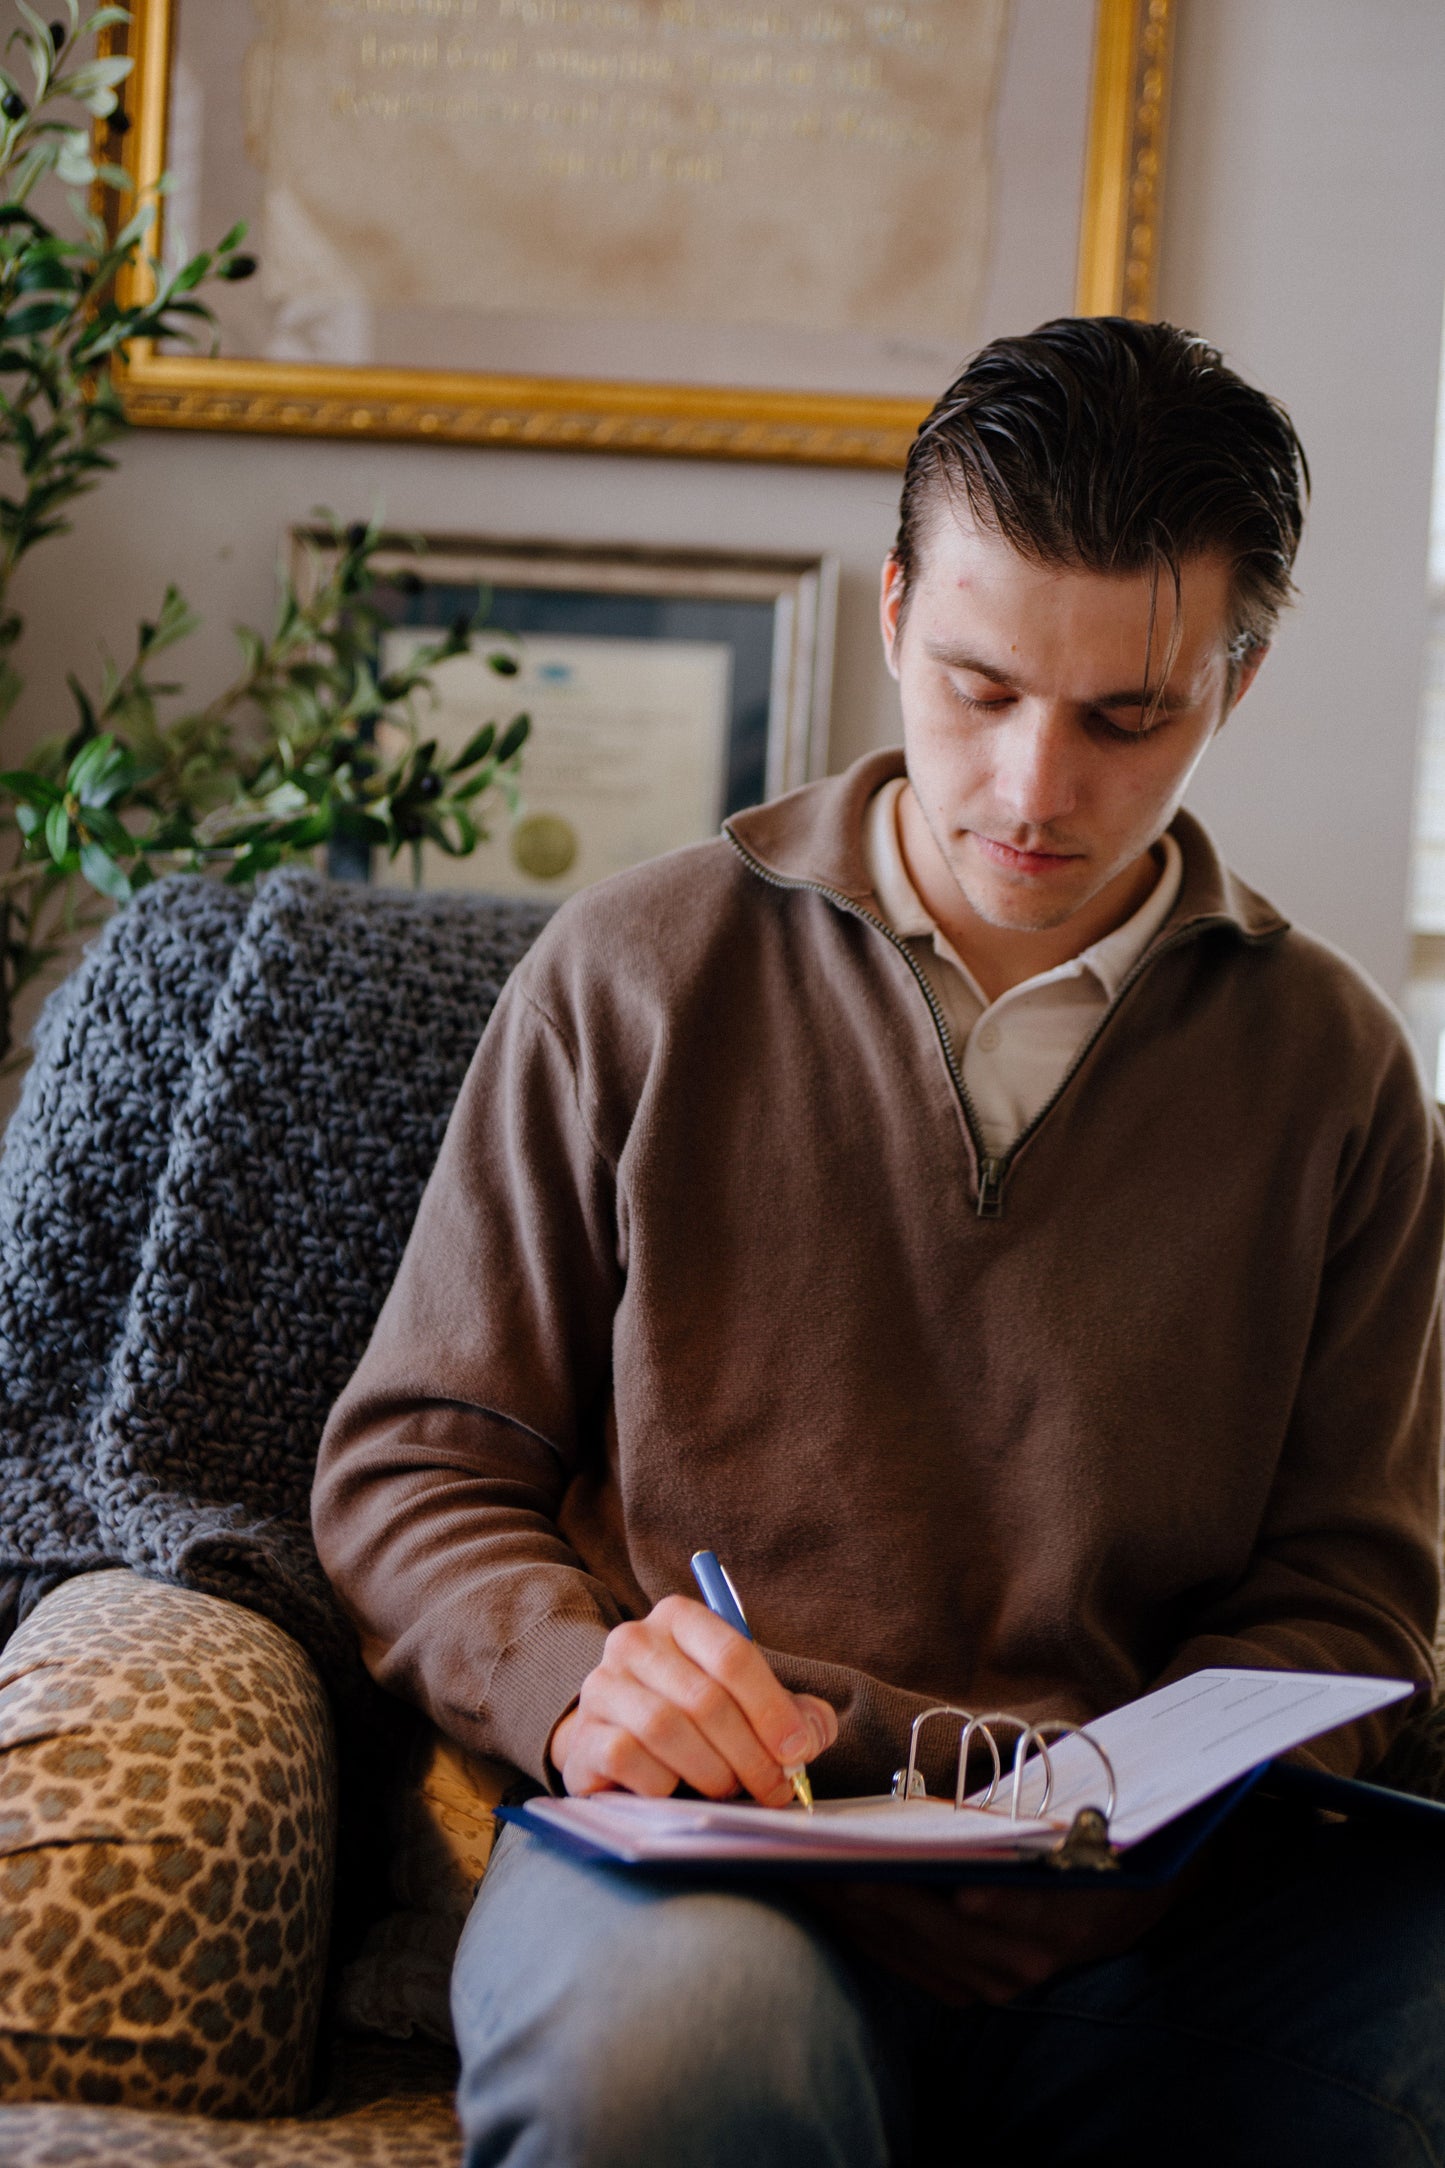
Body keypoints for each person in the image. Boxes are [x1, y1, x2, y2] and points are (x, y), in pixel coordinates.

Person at [313, 317, 1445, 2167]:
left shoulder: (1333, 1074)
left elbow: (1350, 1598)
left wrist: (1129, 1843)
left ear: (1234, 682)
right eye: (980, 687)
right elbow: (414, 1464)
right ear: (898, 607)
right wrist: (579, 1681)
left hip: (1143, 1918)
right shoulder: (634, 975)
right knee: (673, 2071)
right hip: (703, 1871)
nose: (1028, 786)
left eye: (1123, 717)